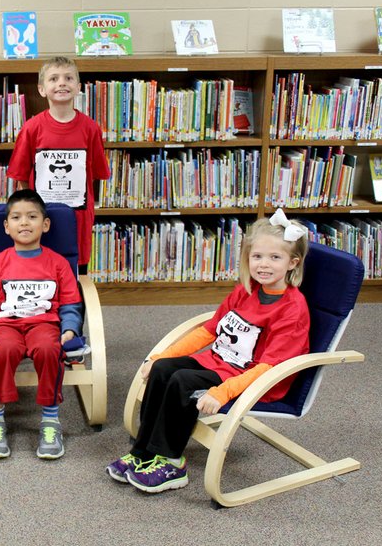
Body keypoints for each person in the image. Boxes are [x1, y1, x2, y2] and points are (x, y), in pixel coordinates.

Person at [106, 208, 310, 493]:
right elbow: (209, 331)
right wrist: (161, 356)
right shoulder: (245, 290)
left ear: (292, 262)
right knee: (164, 369)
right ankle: (144, 451)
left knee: (183, 382)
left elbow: (269, 368)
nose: (264, 265)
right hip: (220, 361)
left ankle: (172, 463)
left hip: (254, 377)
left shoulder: (292, 310)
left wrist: (222, 392)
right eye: (257, 256)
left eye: (275, 258)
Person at [0, 189, 83, 460]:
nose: (24, 223)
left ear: (45, 225)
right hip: (6, 325)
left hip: (44, 323)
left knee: (49, 349)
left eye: (32, 217)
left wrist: (70, 328)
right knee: (3, 350)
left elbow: (71, 303)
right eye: (17, 217)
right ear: (6, 226)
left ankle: (50, 420)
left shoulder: (58, 264)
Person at [7, 56, 110, 271]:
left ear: (78, 87)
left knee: (76, 272)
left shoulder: (90, 128)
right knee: (42, 267)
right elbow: (20, 175)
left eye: (68, 78)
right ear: (42, 89)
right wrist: (33, 208)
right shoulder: (32, 128)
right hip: (43, 215)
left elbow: (95, 174)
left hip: (78, 217)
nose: (61, 83)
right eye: (53, 78)